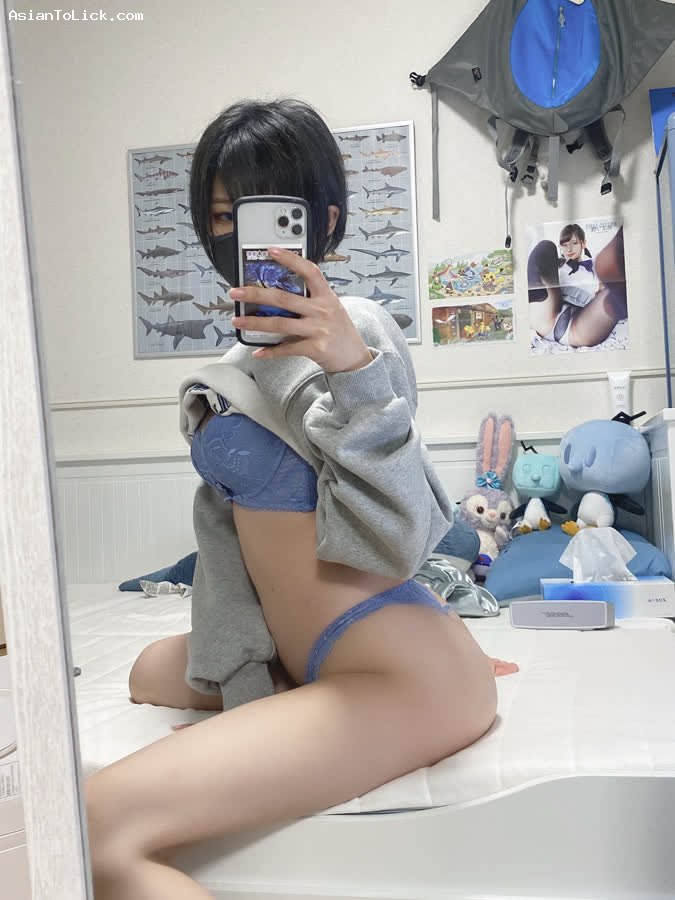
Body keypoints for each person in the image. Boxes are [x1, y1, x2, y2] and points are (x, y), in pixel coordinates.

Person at [85, 98, 517, 900]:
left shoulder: (357, 331)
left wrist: (354, 372)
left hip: (390, 660)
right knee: (147, 671)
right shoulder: (234, 360)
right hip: (302, 650)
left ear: (324, 222)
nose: (240, 240)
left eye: (266, 215)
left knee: (90, 825)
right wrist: (252, 673)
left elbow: (400, 536)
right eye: (222, 218)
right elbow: (233, 540)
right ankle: (294, 691)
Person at [528, 222, 627, 348]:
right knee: (546, 246)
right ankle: (532, 289)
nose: (569, 249)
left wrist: (600, 288)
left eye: (574, 243)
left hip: (578, 325)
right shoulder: (558, 266)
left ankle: (625, 237)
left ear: (583, 244)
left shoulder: (592, 266)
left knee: (612, 294)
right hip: (548, 315)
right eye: (564, 245)